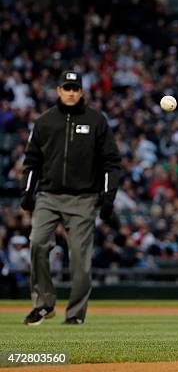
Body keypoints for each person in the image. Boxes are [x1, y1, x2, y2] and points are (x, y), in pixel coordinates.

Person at [20, 70, 121, 326]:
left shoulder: (97, 121)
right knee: (38, 243)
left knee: (80, 260)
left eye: (75, 89)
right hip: (48, 195)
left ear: (82, 92)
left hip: (83, 199)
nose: (71, 92)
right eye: (67, 88)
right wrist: (27, 192)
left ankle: (75, 314)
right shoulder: (44, 121)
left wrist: (108, 198)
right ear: (58, 91)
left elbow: (111, 161)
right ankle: (43, 304)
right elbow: (31, 160)